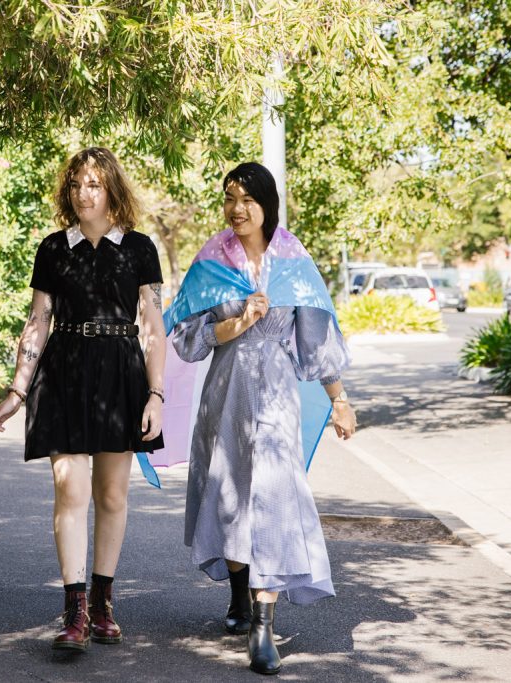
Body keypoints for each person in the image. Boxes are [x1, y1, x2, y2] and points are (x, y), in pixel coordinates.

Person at [168, 162, 355, 675]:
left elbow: (315, 340)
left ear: (267, 204)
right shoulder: (212, 260)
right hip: (224, 394)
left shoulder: (293, 259)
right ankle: (238, 593)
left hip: (275, 398)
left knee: (272, 498)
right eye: (230, 197)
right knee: (230, 499)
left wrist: (339, 400)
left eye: (248, 198)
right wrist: (237, 321)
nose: (237, 208)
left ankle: (262, 627)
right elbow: (188, 338)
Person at [0, 147, 166, 651]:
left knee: (112, 495)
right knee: (71, 491)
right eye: (76, 185)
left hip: (121, 374)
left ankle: (104, 601)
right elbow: (38, 320)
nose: (83, 194)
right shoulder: (52, 248)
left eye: (93, 185)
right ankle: (75, 612)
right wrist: (19, 387)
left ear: (111, 190)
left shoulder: (138, 248)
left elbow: (152, 325)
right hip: (63, 372)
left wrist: (156, 395)